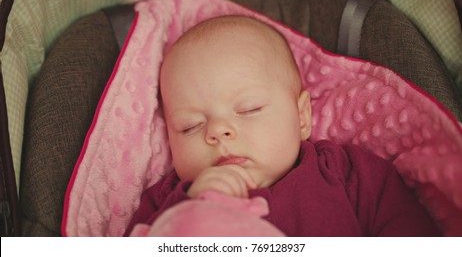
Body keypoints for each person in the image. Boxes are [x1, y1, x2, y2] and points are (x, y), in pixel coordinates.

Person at [124, 15, 440, 236]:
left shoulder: (349, 175)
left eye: (249, 109)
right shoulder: (165, 202)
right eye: (190, 126)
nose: (218, 131)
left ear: (301, 117)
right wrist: (193, 212)